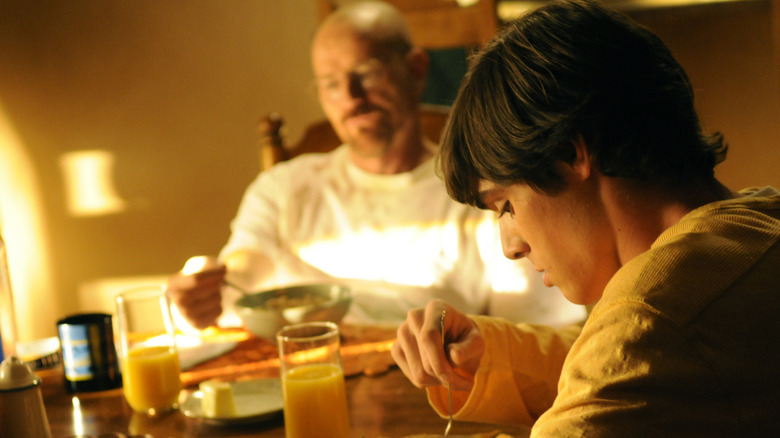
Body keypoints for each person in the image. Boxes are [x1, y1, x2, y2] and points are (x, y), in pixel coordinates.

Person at [391, 0, 780, 436]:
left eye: (506, 206)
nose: (511, 246)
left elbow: (631, 351)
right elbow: (619, 367)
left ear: (571, 154)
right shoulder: (758, 221)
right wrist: (489, 353)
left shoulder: (653, 315)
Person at [166, 1, 586, 330]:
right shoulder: (282, 187)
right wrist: (199, 292)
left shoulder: (485, 195)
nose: (350, 96)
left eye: (365, 72)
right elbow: (240, 273)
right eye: (330, 83)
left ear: (416, 69)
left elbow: (532, 335)